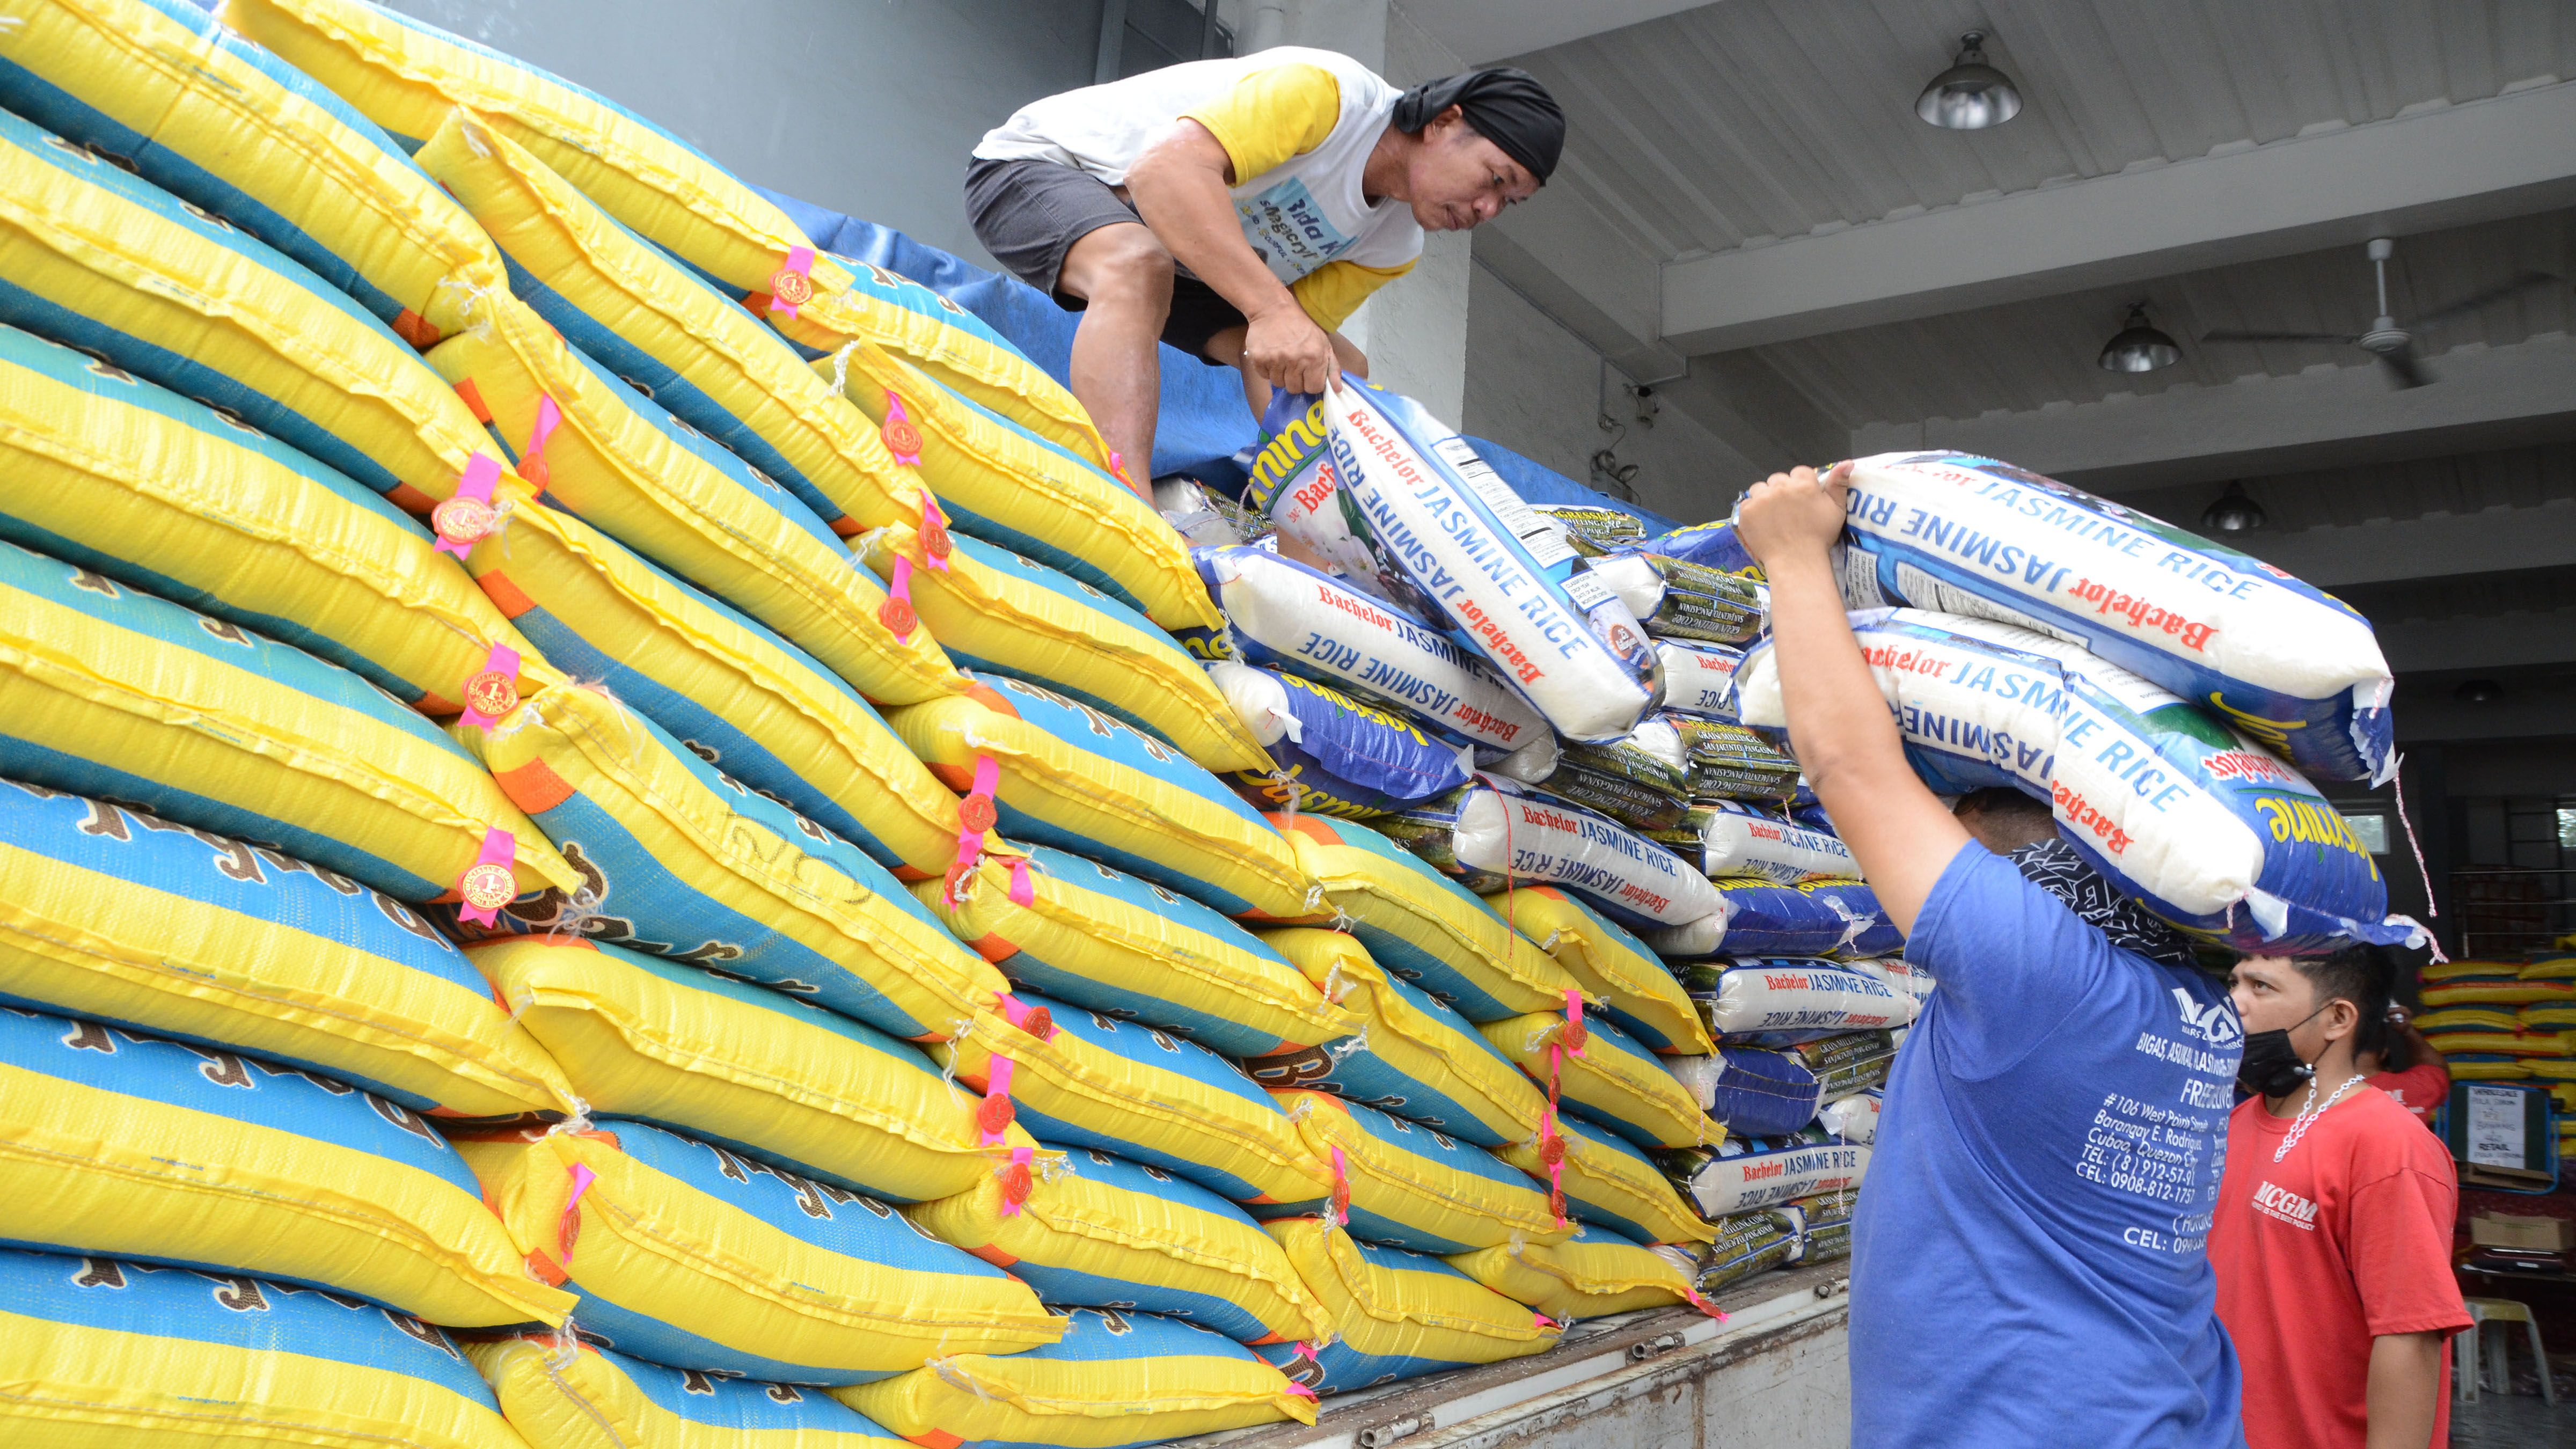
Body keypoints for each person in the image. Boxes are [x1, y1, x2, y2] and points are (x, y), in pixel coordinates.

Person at [1735, 463, 2248, 1448]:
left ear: (1982, 815)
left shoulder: (2038, 968)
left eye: (1951, 810)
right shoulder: (2191, 991)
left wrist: (1795, 553)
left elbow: (1851, 766)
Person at [967, 53, 1561, 497]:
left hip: (1175, 255)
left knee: (1335, 370)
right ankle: (1121, 507)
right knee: (1137, 264)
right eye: (1495, 178)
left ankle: (1308, 555)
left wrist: (1315, 564)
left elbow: (1279, 363)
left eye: (1509, 204)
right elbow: (1161, 174)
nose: (1489, 209)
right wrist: (1271, 311)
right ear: (1443, 122)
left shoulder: (1394, 243)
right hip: (1042, 173)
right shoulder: (1331, 98)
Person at [2211, 948, 2470, 1449]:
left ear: (2337, 1018)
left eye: (2260, 987)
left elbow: (2410, 1337)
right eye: (2233, 981)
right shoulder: (2231, 1124)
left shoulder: (2388, 1144)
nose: (2234, 1002)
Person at [2355, 1000, 2449, 1128]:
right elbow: (2438, 1069)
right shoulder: (2419, 1086)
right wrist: (2407, 1031)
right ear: (2384, 1053)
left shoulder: (2328, 1094)